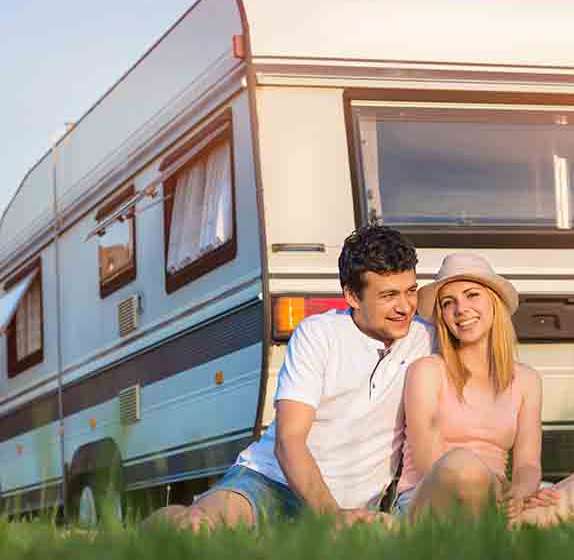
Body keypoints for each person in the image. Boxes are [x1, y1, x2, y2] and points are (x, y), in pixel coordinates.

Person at [147, 224, 435, 530]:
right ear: (351, 295)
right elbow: (289, 440)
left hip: (354, 505)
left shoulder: (425, 338)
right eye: (389, 295)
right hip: (272, 481)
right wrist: (331, 517)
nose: (405, 306)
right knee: (198, 527)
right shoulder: (318, 333)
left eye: (410, 291)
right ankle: (160, 524)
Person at [394, 253, 574, 526]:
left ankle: (510, 526)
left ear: (494, 303)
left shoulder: (526, 380)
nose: (461, 309)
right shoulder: (426, 370)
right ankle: (522, 528)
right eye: (449, 303)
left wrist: (520, 494)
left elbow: (527, 466)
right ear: (443, 316)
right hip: (430, 501)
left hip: (500, 502)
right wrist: (499, 490)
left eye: (472, 295)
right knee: (461, 465)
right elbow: (429, 465)